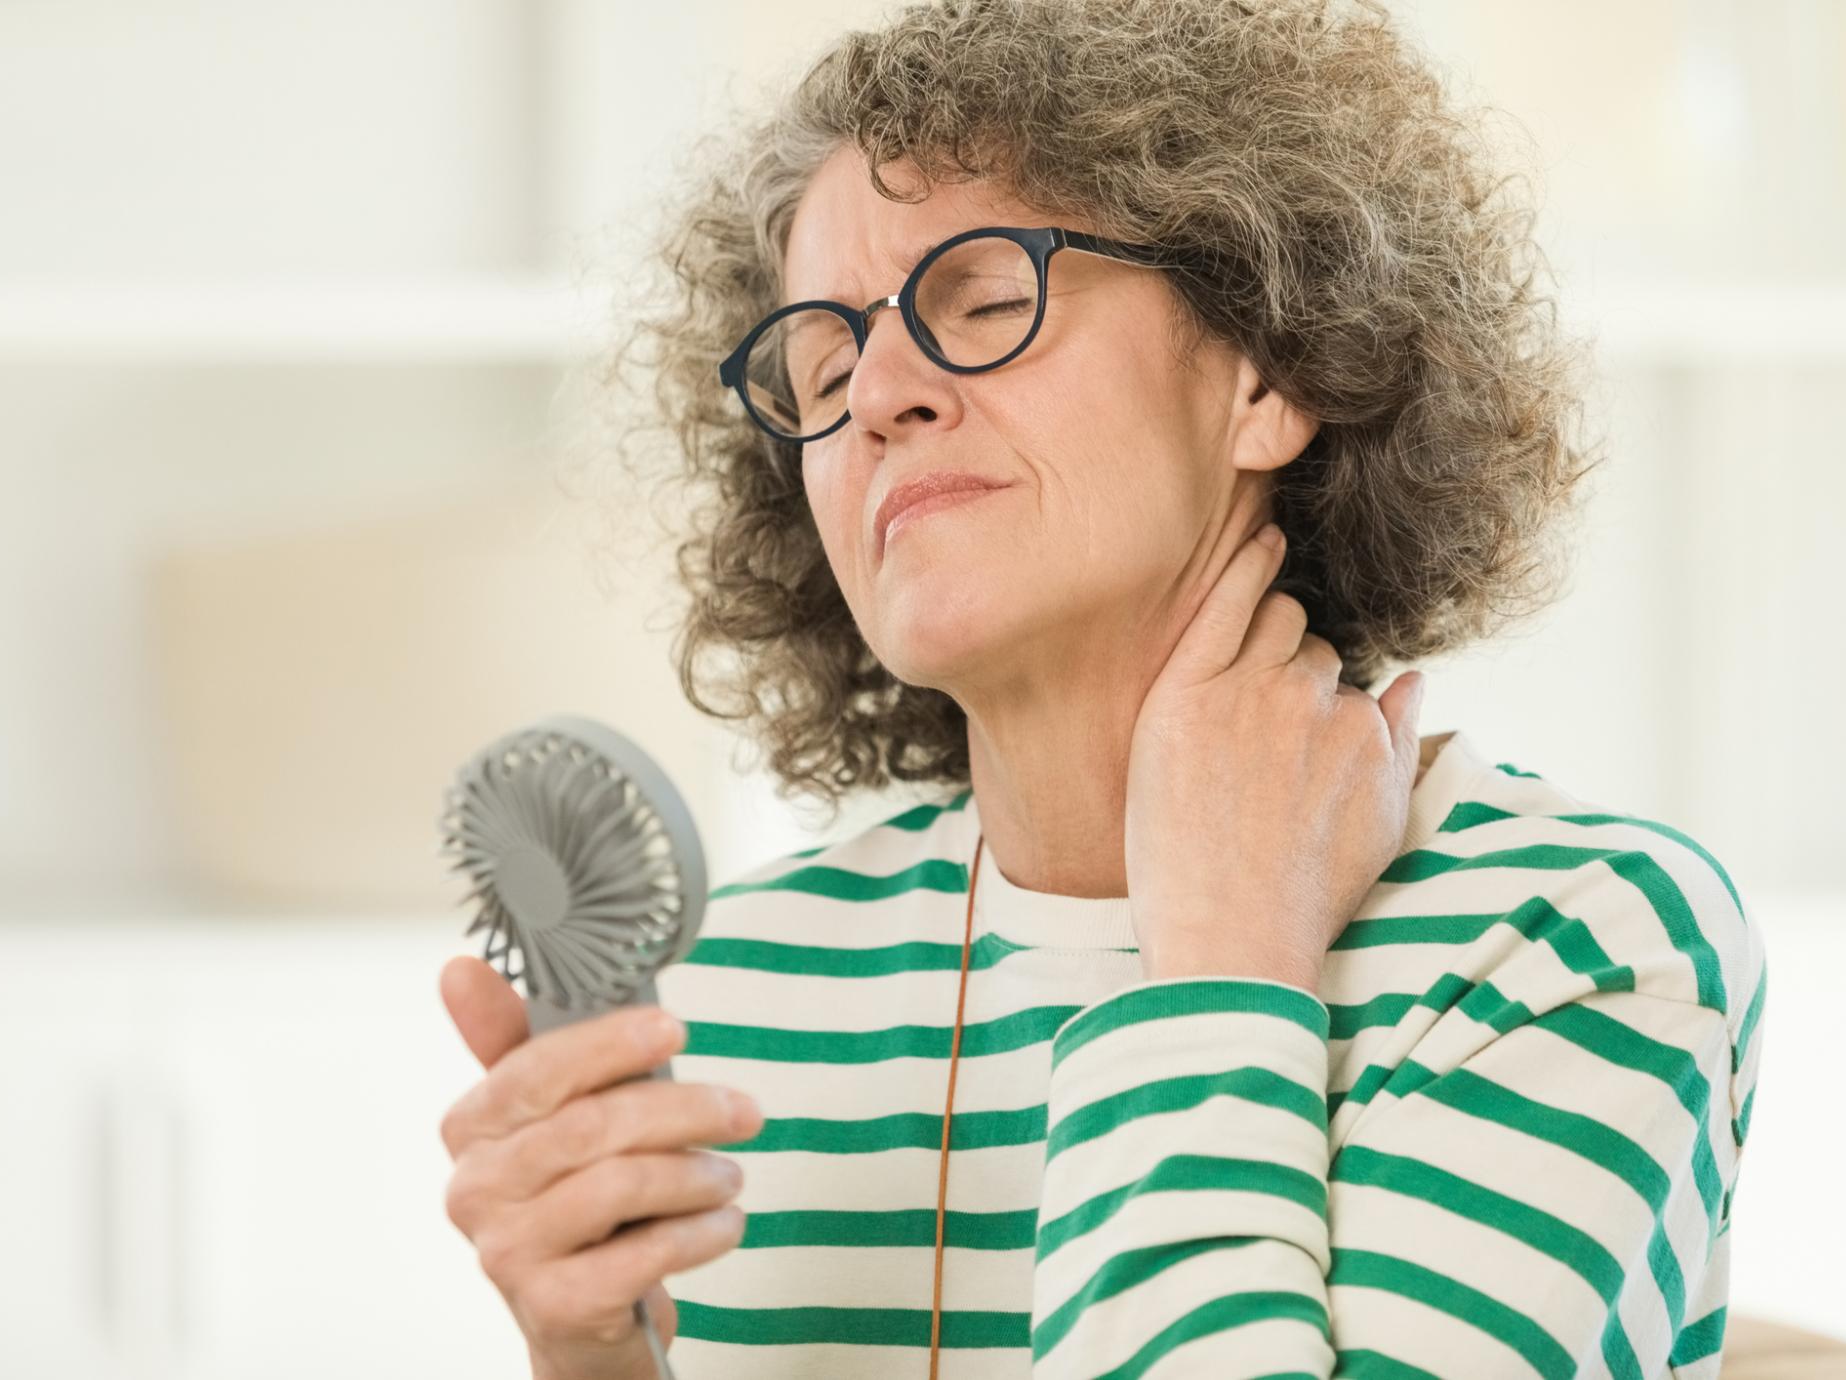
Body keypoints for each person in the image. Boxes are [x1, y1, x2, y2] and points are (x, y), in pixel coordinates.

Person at [440, 0, 1769, 1375]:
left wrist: (1216, 966)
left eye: (988, 300)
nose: (880, 390)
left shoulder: (1567, 945)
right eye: (823, 362)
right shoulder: (730, 999)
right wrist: (589, 1349)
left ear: (1271, 369)